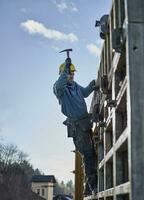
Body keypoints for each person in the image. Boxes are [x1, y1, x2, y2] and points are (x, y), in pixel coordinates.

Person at [53, 57, 98, 195]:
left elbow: (84, 93)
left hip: (85, 123)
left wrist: (92, 86)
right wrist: (66, 70)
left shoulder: (75, 85)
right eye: (69, 73)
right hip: (77, 127)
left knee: (91, 155)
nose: (72, 75)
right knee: (88, 155)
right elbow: (59, 85)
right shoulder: (60, 89)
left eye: (73, 73)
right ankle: (94, 187)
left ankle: (87, 188)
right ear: (63, 73)